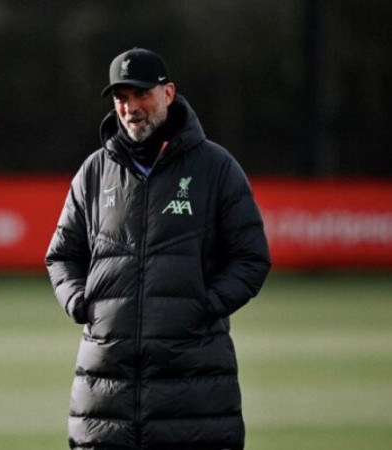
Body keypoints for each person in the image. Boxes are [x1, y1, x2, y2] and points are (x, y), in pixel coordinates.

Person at [45, 48, 271, 450]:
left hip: (194, 392)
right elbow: (62, 255)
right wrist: (82, 305)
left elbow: (251, 256)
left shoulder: (216, 167)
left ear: (168, 93)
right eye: (121, 98)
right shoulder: (95, 171)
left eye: (142, 95)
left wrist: (205, 304)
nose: (131, 108)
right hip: (104, 397)